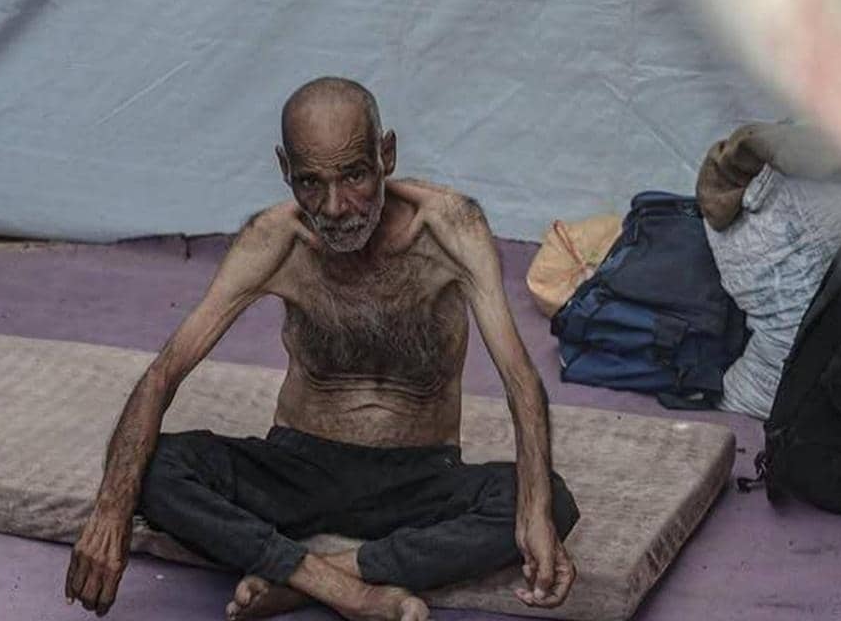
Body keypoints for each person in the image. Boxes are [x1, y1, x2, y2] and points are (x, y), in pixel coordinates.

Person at [64, 77, 580, 620]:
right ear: (286, 170)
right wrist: (109, 511)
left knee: (549, 499)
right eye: (310, 182)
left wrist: (535, 509)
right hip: (297, 470)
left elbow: (521, 380)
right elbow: (164, 374)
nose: (334, 207)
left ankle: (316, 575)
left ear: (387, 155)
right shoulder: (275, 239)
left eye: (354, 175)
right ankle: (344, 589)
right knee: (150, 467)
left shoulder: (449, 228)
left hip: (421, 476)